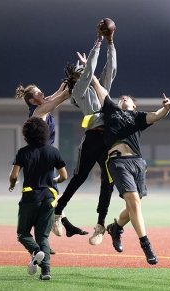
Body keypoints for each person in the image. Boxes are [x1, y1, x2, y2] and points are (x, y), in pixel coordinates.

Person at [91, 75, 170, 265]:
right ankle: (146, 245)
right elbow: (99, 89)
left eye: (126, 98)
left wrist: (167, 107)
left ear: (134, 106)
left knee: (132, 206)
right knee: (134, 203)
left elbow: (157, 115)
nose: (123, 99)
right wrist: (91, 72)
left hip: (138, 163)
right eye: (121, 98)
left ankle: (116, 228)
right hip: (117, 162)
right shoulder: (112, 110)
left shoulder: (138, 117)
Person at [53, 20, 116, 245]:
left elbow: (111, 69)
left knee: (108, 182)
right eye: (80, 71)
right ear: (75, 78)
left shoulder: (99, 89)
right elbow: (89, 71)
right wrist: (97, 44)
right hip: (92, 137)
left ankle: (100, 226)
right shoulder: (78, 91)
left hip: (108, 138)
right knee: (79, 177)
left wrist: (110, 43)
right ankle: (58, 212)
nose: (84, 71)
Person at [15, 84, 88, 243]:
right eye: (37, 93)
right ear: (33, 100)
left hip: (44, 155)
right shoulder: (39, 111)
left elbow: (56, 95)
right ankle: (48, 235)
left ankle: (60, 227)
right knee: (46, 196)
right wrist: (78, 82)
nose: (42, 92)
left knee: (50, 194)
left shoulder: (43, 105)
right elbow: (61, 98)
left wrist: (64, 84)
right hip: (40, 156)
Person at [8, 116, 68, 280]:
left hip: (30, 197)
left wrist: (12, 185)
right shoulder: (53, 151)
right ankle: (46, 271)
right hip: (49, 198)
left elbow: (14, 175)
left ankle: (35, 252)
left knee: (22, 233)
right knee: (42, 236)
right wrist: (55, 180)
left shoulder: (23, 152)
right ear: (45, 132)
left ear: (26, 134)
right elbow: (64, 176)